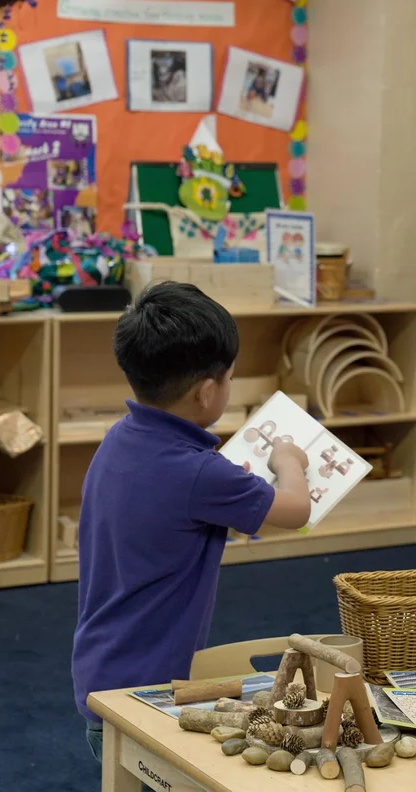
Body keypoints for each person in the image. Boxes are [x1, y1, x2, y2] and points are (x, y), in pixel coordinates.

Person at [72, 281, 314, 763]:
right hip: (146, 688)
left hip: (102, 668)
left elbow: (171, 503)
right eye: (228, 378)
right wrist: (288, 461)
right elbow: (297, 510)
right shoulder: (200, 472)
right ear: (207, 392)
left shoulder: (120, 437)